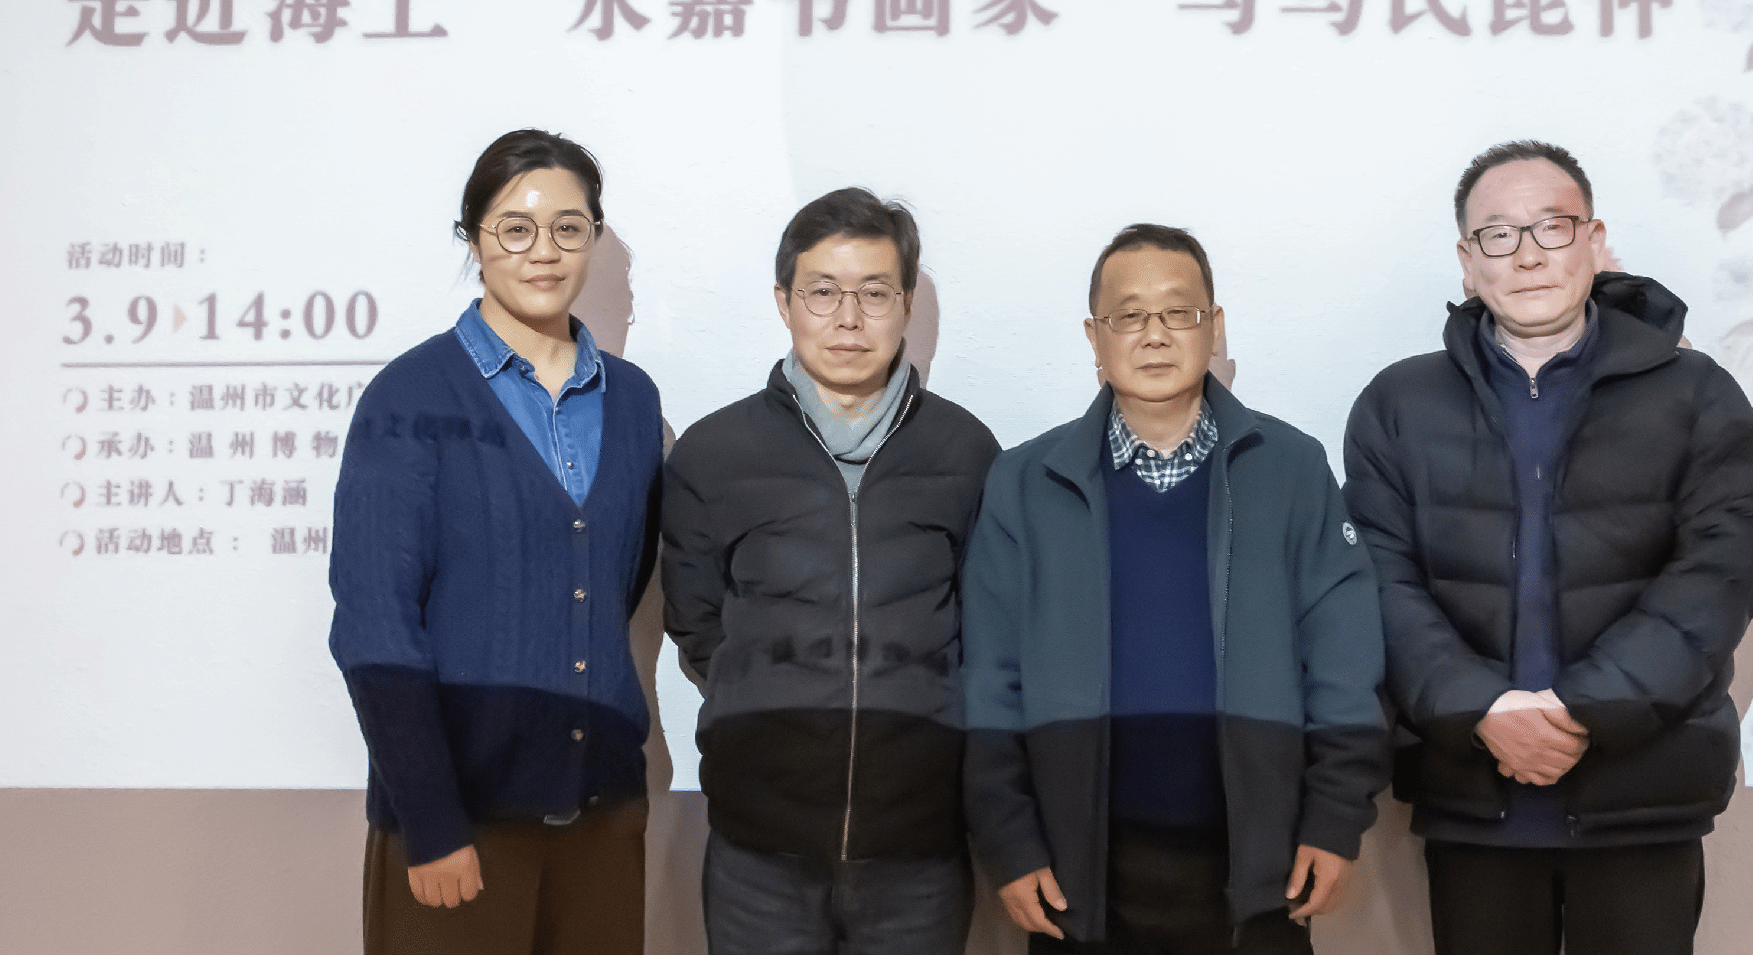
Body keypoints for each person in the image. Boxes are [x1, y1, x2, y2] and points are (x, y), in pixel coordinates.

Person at [1344, 140, 1753, 955]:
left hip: (1643, 792)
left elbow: (1719, 572)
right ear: (1468, 262)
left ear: (1593, 240)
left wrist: (1585, 709)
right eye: (1499, 235)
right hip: (1473, 796)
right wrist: (1483, 708)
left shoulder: (1696, 394)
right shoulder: (1398, 404)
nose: (1529, 255)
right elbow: (1379, 579)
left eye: (1552, 226)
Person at [963, 224, 1387, 954]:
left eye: (1178, 312)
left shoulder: (1290, 469)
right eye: (1128, 315)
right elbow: (989, 677)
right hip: (1079, 871)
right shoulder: (1026, 483)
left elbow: (1343, 658)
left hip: (1259, 863)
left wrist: (1334, 817)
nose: (1154, 334)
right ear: (1095, 338)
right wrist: (1008, 838)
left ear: (1213, 327)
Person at [329, 129, 662, 955]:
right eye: (515, 228)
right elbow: (375, 625)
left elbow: (611, 586)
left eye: (568, 228)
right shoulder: (410, 396)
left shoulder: (632, 401)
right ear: (473, 240)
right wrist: (430, 820)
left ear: (593, 237)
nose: (543, 251)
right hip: (459, 824)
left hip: (603, 818)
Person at [660, 187, 1001, 955]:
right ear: (784, 302)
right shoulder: (714, 454)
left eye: (874, 293)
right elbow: (699, 625)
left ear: (905, 305)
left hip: (919, 849)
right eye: (823, 292)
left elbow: (985, 630)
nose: (849, 318)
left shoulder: (965, 452)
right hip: (759, 851)